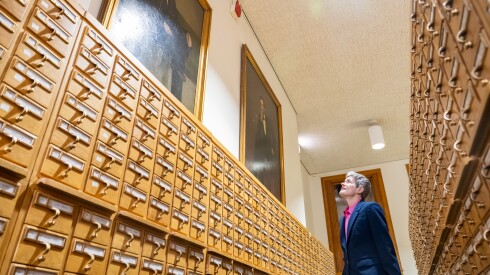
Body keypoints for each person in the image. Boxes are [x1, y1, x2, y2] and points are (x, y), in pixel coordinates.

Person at [339, 171, 401, 275]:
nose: (342, 183)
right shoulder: (343, 218)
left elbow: (384, 245)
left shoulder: (370, 208)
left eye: (348, 181)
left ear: (360, 189)